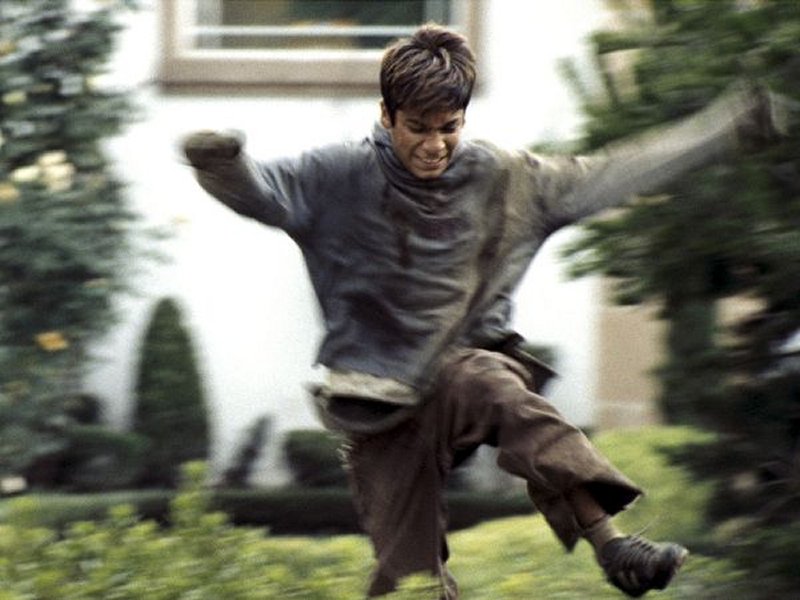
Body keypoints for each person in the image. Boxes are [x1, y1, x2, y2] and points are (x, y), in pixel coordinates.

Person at [182, 23, 789, 599]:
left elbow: (612, 172)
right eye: (418, 128)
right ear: (386, 115)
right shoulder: (338, 173)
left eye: (449, 128)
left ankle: (612, 545)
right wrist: (221, 165)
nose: (434, 146)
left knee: (491, 381)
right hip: (378, 406)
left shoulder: (503, 177)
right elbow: (264, 192)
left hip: (461, 376)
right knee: (409, 582)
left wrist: (724, 128)